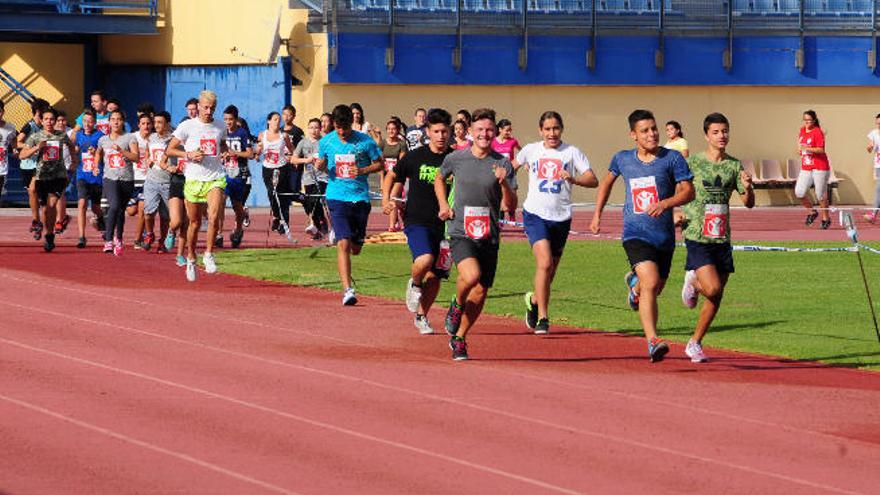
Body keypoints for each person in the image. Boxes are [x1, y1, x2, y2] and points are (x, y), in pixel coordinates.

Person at [590, 109, 695, 363]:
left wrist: (666, 203)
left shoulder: (672, 158)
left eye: (654, 128)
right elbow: (606, 183)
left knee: (654, 288)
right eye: (645, 130)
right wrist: (597, 215)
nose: (652, 134)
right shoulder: (622, 159)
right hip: (635, 234)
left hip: (664, 238)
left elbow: (689, 192)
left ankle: (634, 285)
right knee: (650, 283)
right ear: (633, 135)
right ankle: (653, 341)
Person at [435, 108, 516, 361]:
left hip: (489, 234)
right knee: (471, 275)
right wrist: (443, 205)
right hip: (461, 231)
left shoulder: (502, 163)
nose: (484, 134)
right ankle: (457, 304)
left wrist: (503, 183)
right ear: (470, 131)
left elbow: (511, 204)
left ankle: (459, 338)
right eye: (480, 129)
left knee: (480, 291)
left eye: (489, 130)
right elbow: (439, 178)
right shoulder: (457, 158)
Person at [679, 112, 755, 363]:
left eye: (725, 131)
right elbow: (677, 189)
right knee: (711, 287)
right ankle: (692, 281)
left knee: (716, 294)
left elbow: (749, 203)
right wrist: (674, 211)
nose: (722, 136)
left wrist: (749, 186)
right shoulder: (692, 163)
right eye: (716, 132)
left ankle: (694, 343)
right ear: (706, 135)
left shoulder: (734, 165)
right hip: (696, 232)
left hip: (721, 235)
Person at [519, 111, 598, 334]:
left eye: (555, 128)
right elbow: (510, 165)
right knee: (544, 264)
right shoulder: (531, 150)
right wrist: (500, 174)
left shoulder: (572, 152)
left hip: (561, 217)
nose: (551, 133)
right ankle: (544, 318)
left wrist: (573, 178)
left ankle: (534, 300)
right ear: (540, 131)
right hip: (535, 214)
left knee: (550, 271)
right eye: (547, 129)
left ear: (561, 129)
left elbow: (593, 180)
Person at [382, 108, 454, 335]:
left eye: (444, 131)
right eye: (436, 131)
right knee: (424, 260)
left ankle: (422, 316)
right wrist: (386, 200)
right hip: (417, 220)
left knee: (435, 275)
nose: (441, 136)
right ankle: (414, 284)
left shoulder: (455, 158)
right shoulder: (416, 156)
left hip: (446, 226)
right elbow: (393, 175)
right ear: (428, 132)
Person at [316, 104, 383, 306]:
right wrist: (319, 165)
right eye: (338, 128)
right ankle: (348, 290)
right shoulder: (326, 142)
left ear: (351, 124)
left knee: (356, 248)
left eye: (345, 128)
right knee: (343, 243)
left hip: (360, 198)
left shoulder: (365, 141)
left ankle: (348, 237)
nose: (342, 132)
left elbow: (379, 164)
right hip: (336, 196)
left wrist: (362, 171)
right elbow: (321, 164)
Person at [166, 90, 229, 281]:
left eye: (212, 108)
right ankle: (191, 257)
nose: (209, 111)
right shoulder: (187, 126)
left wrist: (224, 152)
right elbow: (170, 149)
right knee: (193, 223)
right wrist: (189, 155)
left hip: (215, 177)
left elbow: (223, 144)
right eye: (206, 107)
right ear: (199, 107)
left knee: (213, 215)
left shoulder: (220, 126)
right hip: (194, 179)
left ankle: (209, 254)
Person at [19, 106, 78, 251]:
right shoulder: (36, 136)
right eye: (46, 119)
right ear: (42, 120)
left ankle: (49, 236)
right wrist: (36, 148)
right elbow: (22, 155)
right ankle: (49, 234)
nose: (49, 122)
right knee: (46, 210)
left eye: (52, 119)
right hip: (42, 177)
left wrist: (74, 162)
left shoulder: (61, 135)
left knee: (51, 207)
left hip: (58, 177)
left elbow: (71, 147)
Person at [94, 110, 138, 256]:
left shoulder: (129, 138)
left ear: (123, 121)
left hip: (126, 178)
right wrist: (95, 165)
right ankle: (108, 240)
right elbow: (98, 152)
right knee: (113, 206)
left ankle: (118, 238)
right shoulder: (103, 140)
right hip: (110, 178)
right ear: (109, 122)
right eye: (113, 119)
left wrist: (121, 151)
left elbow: (136, 157)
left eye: (119, 119)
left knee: (120, 210)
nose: (116, 122)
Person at [255, 111, 295, 236]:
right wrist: (257, 153)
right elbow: (258, 152)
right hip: (268, 168)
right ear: (269, 121)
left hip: (282, 167)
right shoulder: (262, 135)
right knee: (271, 193)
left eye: (279, 119)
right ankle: (277, 216)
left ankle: (285, 223)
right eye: (275, 119)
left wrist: (290, 156)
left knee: (282, 195)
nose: (278, 122)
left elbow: (292, 150)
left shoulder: (284, 136)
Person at [17, 98, 50, 239]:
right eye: (40, 115)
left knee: (35, 191)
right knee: (33, 194)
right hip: (27, 165)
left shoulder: (48, 126)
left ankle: (39, 222)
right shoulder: (29, 126)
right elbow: (18, 142)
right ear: (37, 113)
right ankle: (37, 221)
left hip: (41, 166)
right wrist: (30, 147)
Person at [222, 105, 255, 248]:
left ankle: (239, 229)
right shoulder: (221, 133)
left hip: (239, 174)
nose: (228, 122)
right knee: (219, 202)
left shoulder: (242, 133)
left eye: (230, 119)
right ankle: (218, 233)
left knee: (237, 206)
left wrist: (235, 153)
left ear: (236, 119)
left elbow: (251, 154)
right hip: (223, 173)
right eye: (225, 119)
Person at [142, 111, 174, 253]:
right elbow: (148, 153)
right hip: (151, 180)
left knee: (165, 216)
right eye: (155, 122)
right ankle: (149, 234)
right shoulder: (152, 137)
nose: (156, 125)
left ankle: (162, 241)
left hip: (167, 182)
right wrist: (147, 159)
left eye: (160, 122)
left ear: (167, 124)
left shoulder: (173, 139)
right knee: (148, 212)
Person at [72, 109, 105, 249]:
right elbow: (73, 150)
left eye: (90, 121)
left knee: (96, 207)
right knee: (82, 203)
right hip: (82, 175)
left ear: (95, 123)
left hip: (96, 176)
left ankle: (102, 221)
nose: (87, 124)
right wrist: (74, 153)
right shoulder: (78, 135)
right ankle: (81, 236)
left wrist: (97, 152)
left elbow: (105, 154)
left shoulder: (101, 136)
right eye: (85, 121)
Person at [293, 117, 329, 240]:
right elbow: (294, 159)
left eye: (316, 128)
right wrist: (306, 160)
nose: (314, 130)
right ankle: (318, 225)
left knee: (315, 199)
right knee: (309, 202)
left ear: (320, 129)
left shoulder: (325, 142)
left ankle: (320, 223)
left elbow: (330, 157)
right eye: (311, 128)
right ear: (308, 129)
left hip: (323, 177)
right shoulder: (303, 143)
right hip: (308, 177)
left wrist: (322, 162)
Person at [796, 110, 832, 230]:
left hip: (820, 167)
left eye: (809, 120)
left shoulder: (818, 132)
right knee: (799, 192)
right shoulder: (802, 130)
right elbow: (800, 145)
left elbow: (821, 150)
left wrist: (808, 148)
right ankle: (812, 211)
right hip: (806, 166)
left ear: (814, 120)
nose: (807, 122)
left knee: (820, 195)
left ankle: (826, 218)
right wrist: (800, 150)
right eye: (805, 120)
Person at [492, 119, 522, 223]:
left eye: (510, 130)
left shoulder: (513, 141)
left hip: (510, 172)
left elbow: (522, 152)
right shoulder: (493, 141)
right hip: (498, 172)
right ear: (500, 129)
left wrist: (518, 164)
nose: (509, 132)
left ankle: (512, 215)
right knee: (500, 195)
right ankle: (500, 219)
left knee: (512, 193)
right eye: (507, 130)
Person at [379, 119, 407, 232]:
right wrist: (382, 179)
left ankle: (395, 222)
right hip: (386, 176)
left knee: (394, 199)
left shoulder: (402, 144)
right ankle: (394, 223)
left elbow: (402, 162)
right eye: (389, 129)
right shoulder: (383, 143)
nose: (391, 131)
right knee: (392, 199)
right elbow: (380, 164)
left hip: (398, 176)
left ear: (398, 131)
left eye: (394, 129)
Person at [130, 113, 153, 249]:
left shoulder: (154, 139)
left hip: (147, 179)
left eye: (148, 123)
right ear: (139, 125)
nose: (146, 126)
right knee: (132, 211)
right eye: (143, 123)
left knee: (142, 209)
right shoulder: (133, 138)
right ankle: (145, 228)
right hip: (133, 178)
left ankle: (137, 240)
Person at [0, 100, 16, 204]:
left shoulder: (10, 128)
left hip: (2, 168)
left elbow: (14, 141)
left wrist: (15, 149)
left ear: (3, 111)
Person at [865, 113, 880, 223]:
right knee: (879, 189)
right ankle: (873, 215)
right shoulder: (873, 133)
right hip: (879, 165)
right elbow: (870, 148)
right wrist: (869, 147)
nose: (879, 125)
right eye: (877, 123)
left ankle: (873, 214)